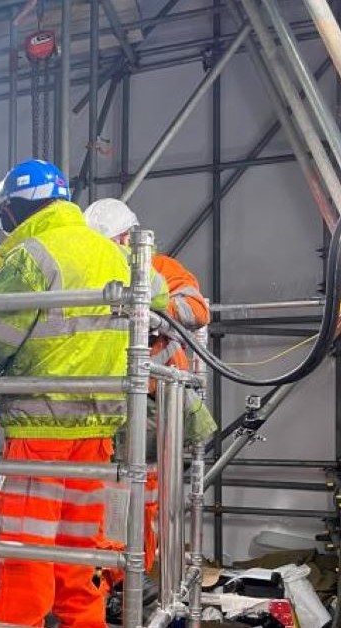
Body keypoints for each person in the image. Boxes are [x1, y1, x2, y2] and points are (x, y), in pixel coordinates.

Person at [0, 161, 168, 628]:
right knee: (77, 558)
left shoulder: (34, 254)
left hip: (40, 436)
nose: (3, 224)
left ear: (14, 208)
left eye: (3, 214)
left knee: (26, 557)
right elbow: (163, 302)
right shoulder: (116, 256)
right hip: (97, 439)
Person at [84, 197, 218, 573]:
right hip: (110, 401)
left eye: (111, 244)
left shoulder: (161, 269)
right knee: (110, 494)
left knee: (140, 497)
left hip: (154, 400)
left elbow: (196, 309)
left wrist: (153, 312)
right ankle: (110, 575)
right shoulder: (95, 272)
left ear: (127, 238)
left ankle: (127, 575)